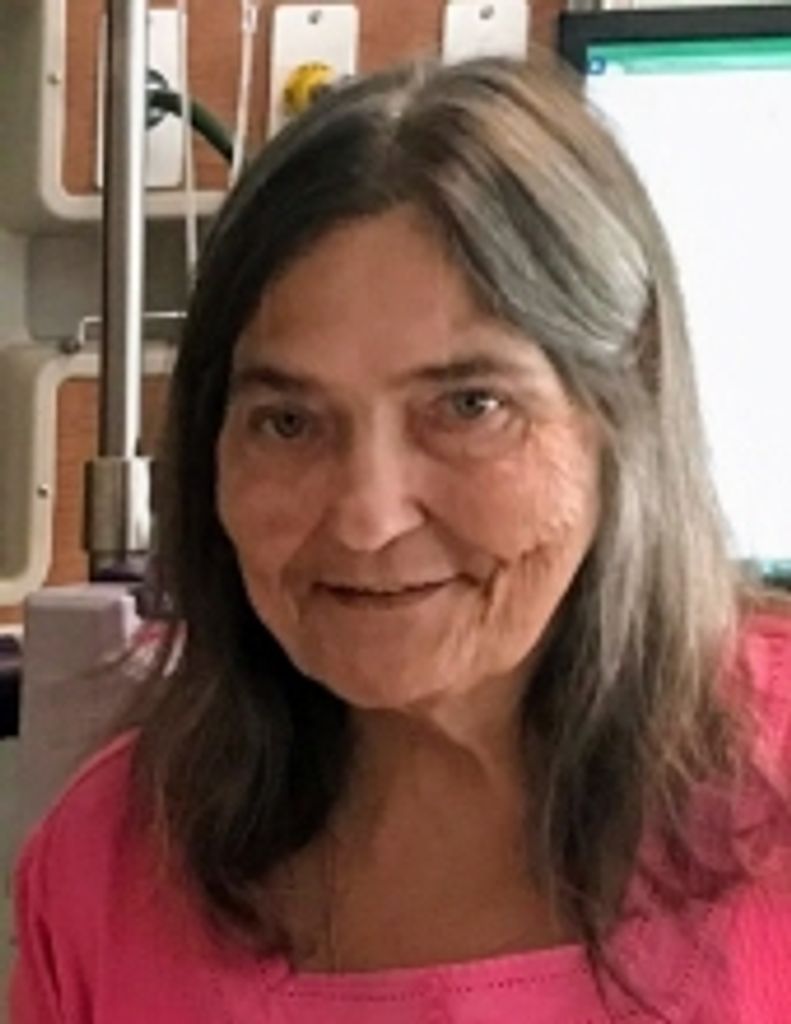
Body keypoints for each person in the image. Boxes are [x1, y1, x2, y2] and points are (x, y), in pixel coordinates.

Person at [10, 52, 791, 1023]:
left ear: (620, 409)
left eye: (468, 406)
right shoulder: (113, 870)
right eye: (287, 422)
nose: (367, 516)